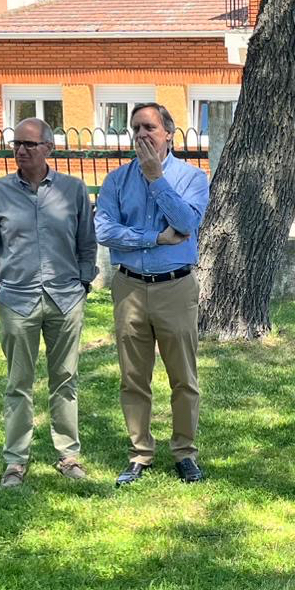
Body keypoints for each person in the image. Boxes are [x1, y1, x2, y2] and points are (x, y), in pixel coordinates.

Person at [0, 118, 98, 488]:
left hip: (65, 299)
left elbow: (87, 242)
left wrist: (83, 282)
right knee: (18, 383)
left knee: (66, 379)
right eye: (16, 144)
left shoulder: (73, 190)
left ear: (48, 148)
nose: (21, 151)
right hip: (16, 300)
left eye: (29, 144)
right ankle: (15, 461)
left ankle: (68, 455)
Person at [94, 102, 211, 487]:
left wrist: (156, 179)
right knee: (133, 377)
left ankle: (185, 452)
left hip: (175, 287)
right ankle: (140, 453)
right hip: (129, 286)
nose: (142, 135)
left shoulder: (192, 178)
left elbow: (187, 222)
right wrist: (154, 238)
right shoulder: (116, 180)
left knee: (183, 377)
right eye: (136, 128)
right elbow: (104, 230)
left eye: (149, 127)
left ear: (168, 134)